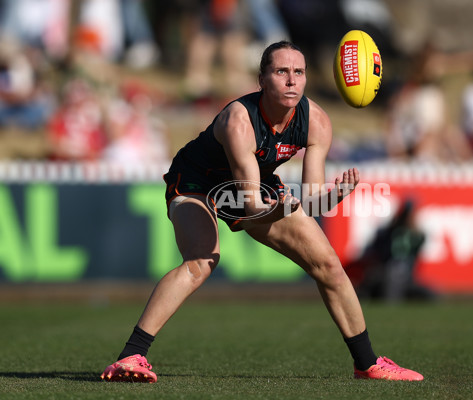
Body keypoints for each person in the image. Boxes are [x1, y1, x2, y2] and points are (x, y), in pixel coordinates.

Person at [101, 41, 423, 383]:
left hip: (256, 183)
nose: (291, 81)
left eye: (298, 72)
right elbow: (252, 205)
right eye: (281, 71)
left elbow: (311, 202)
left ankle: (368, 364)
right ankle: (130, 356)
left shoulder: (317, 123)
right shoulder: (239, 121)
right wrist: (279, 207)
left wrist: (334, 197)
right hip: (198, 180)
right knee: (201, 261)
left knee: (327, 264)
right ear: (262, 80)